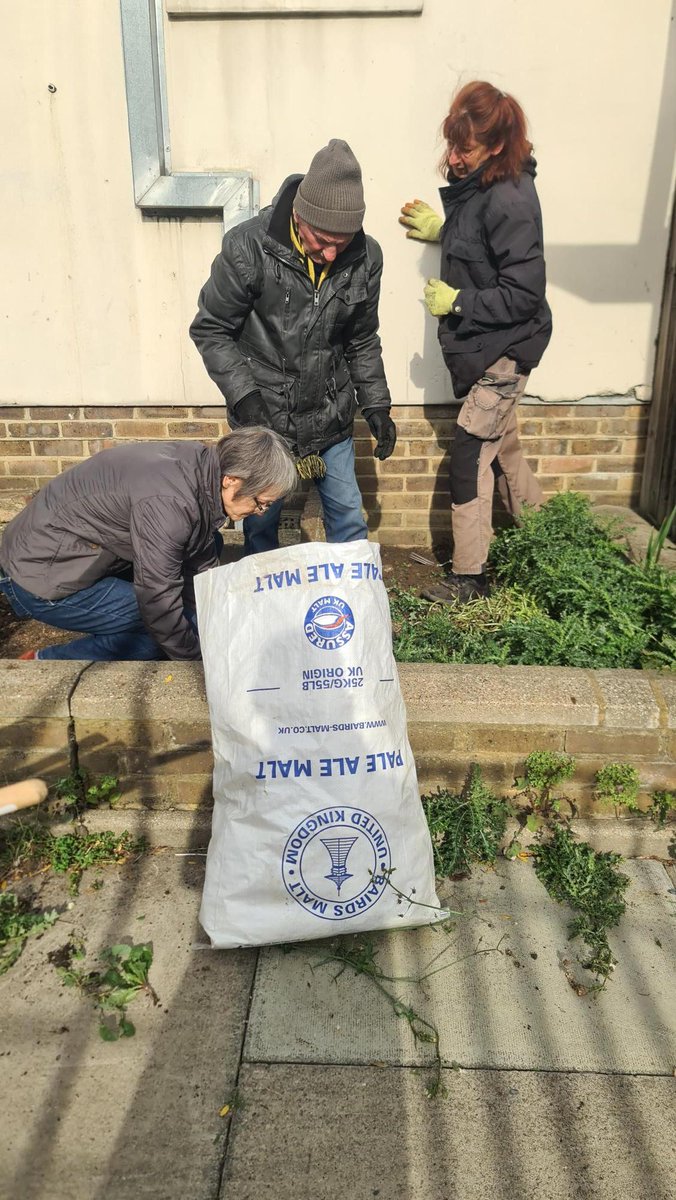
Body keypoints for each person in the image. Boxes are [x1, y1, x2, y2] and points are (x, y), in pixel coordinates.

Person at [190, 138, 396, 554]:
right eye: (322, 239)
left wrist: (376, 403)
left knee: (348, 518)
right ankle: (268, 610)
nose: (332, 251)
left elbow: (361, 337)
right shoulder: (248, 248)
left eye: (344, 239)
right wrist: (246, 398)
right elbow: (211, 329)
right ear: (299, 215)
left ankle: (351, 607)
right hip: (265, 417)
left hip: (330, 415)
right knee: (261, 525)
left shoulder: (366, 257)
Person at [400, 81, 552, 604]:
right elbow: (486, 245)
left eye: (464, 148)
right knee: (502, 448)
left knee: (469, 453)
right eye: (450, 144)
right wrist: (442, 231)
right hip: (491, 346)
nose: (452, 157)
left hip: (508, 347)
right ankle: (549, 544)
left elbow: (524, 294)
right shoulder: (484, 185)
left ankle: (469, 578)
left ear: (494, 146)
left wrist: (458, 301)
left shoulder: (511, 198)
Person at [0, 427, 297, 661]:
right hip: (40, 575)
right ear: (231, 481)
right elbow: (157, 600)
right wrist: (198, 661)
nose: (261, 513)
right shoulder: (169, 505)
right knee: (157, 634)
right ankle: (49, 660)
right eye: (261, 504)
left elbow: (200, 555)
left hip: (72, 549)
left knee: (210, 549)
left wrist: (215, 616)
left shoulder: (201, 465)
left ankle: (125, 631)